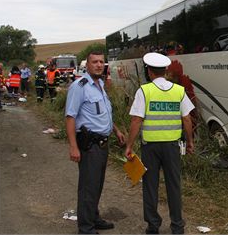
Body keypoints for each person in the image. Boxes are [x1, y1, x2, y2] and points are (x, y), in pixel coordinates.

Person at [125, 52, 195, 234]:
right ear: (165, 70)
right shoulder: (179, 91)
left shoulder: (144, 91)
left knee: (150, 187)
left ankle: (153, 226)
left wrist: (129, 145)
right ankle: (177, 226)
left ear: (149, 71)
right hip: (172, 147)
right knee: (174, 186)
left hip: (151, 147)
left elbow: (136, 121)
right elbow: (187, 119)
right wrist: (190, 142)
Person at [65, 51, 126, 234]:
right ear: (87, 65)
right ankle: (86, 228)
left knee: (97, 185)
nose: (99, 65)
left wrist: (116, 130)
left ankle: (93, 217)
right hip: (89, 146)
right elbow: (70, 117)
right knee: (88, 188)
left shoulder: (99, 85)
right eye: (95, 62)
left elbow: (103, 113)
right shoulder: (80, 86)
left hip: (102, 144)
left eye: (101, 62)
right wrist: (73, 146)